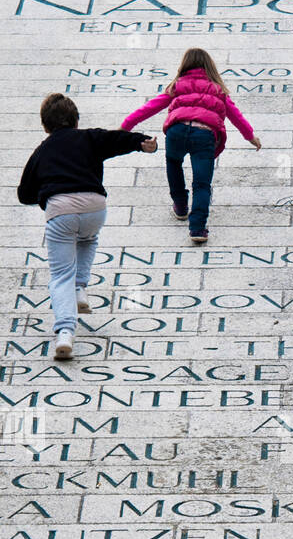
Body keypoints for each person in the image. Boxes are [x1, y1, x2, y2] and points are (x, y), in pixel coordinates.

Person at [17, 94, 157, 361]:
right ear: (76, 120)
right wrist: (142, 142)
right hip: (95, 206)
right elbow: (117, 139)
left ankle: (65, 333)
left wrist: (47, 192)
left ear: (45, 125)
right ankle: (81, 287)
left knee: (60, 276)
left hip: (60, 210)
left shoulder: (42, 150)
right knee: (88, 238)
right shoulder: (89, 138)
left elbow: (24, 193)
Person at [120, 49, 262, 246]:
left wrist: (125, 126)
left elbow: (151, 106)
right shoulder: (218, 89)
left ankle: (180, 205)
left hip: (177, 131)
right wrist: (250, 136)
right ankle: (197, 228)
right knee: (202, 184)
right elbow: (235, 115)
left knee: (174, 163)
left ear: (185, 65)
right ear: (209, 67)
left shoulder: (177, 85)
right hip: (204, 134)